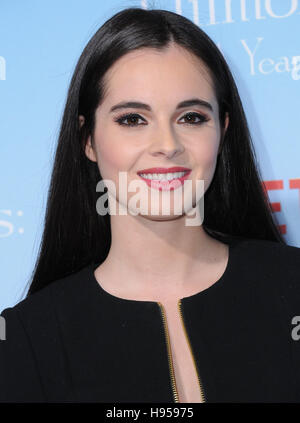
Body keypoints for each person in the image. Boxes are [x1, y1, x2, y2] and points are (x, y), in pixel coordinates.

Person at [0, 7, 300, 403]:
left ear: (222, 130)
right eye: (132, 119)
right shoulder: (24, 340)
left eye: (191, 117)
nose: (167, 144)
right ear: (87, 138)